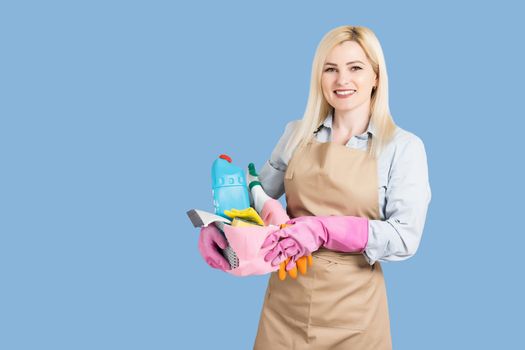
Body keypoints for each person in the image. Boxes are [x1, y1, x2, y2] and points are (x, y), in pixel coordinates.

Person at [198, 25, 431, 350]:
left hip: (354, 316)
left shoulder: (402, 147)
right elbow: (255, 205)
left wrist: (322, 229)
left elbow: (406, 237)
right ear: (319, 76)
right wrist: (220, 229)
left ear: (376, 76)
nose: (342, 80)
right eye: (330, 69)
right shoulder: (297, 134)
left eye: (355, 68)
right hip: (285, 308)